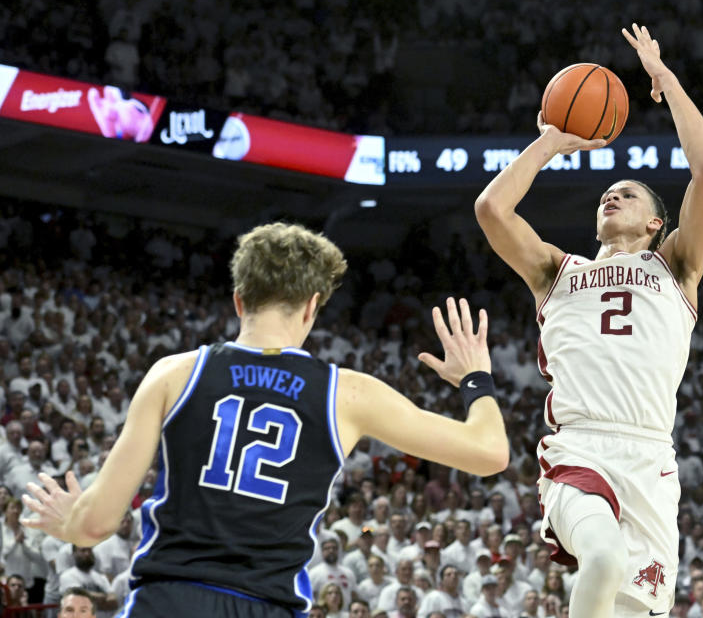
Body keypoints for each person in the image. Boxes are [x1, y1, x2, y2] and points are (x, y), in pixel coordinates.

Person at [21, 222, 510, 617]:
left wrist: (71, 523)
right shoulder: (349, 394)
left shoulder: (174, 374)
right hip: (267, 604)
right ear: (312, 306)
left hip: (169, 599)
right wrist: (475, 377)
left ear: (239, 299)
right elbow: (489, 453)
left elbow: (95, 524)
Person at [474, 23, 703, 618]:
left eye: (628, 194)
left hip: (649, 458)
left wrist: (666, 80)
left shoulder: (676, 267)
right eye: (606, 194)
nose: (612, 197)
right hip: (580, 447)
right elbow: (491, 208)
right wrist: (550, 143)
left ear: (655, 225)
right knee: (604, 562)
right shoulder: (557, 272)